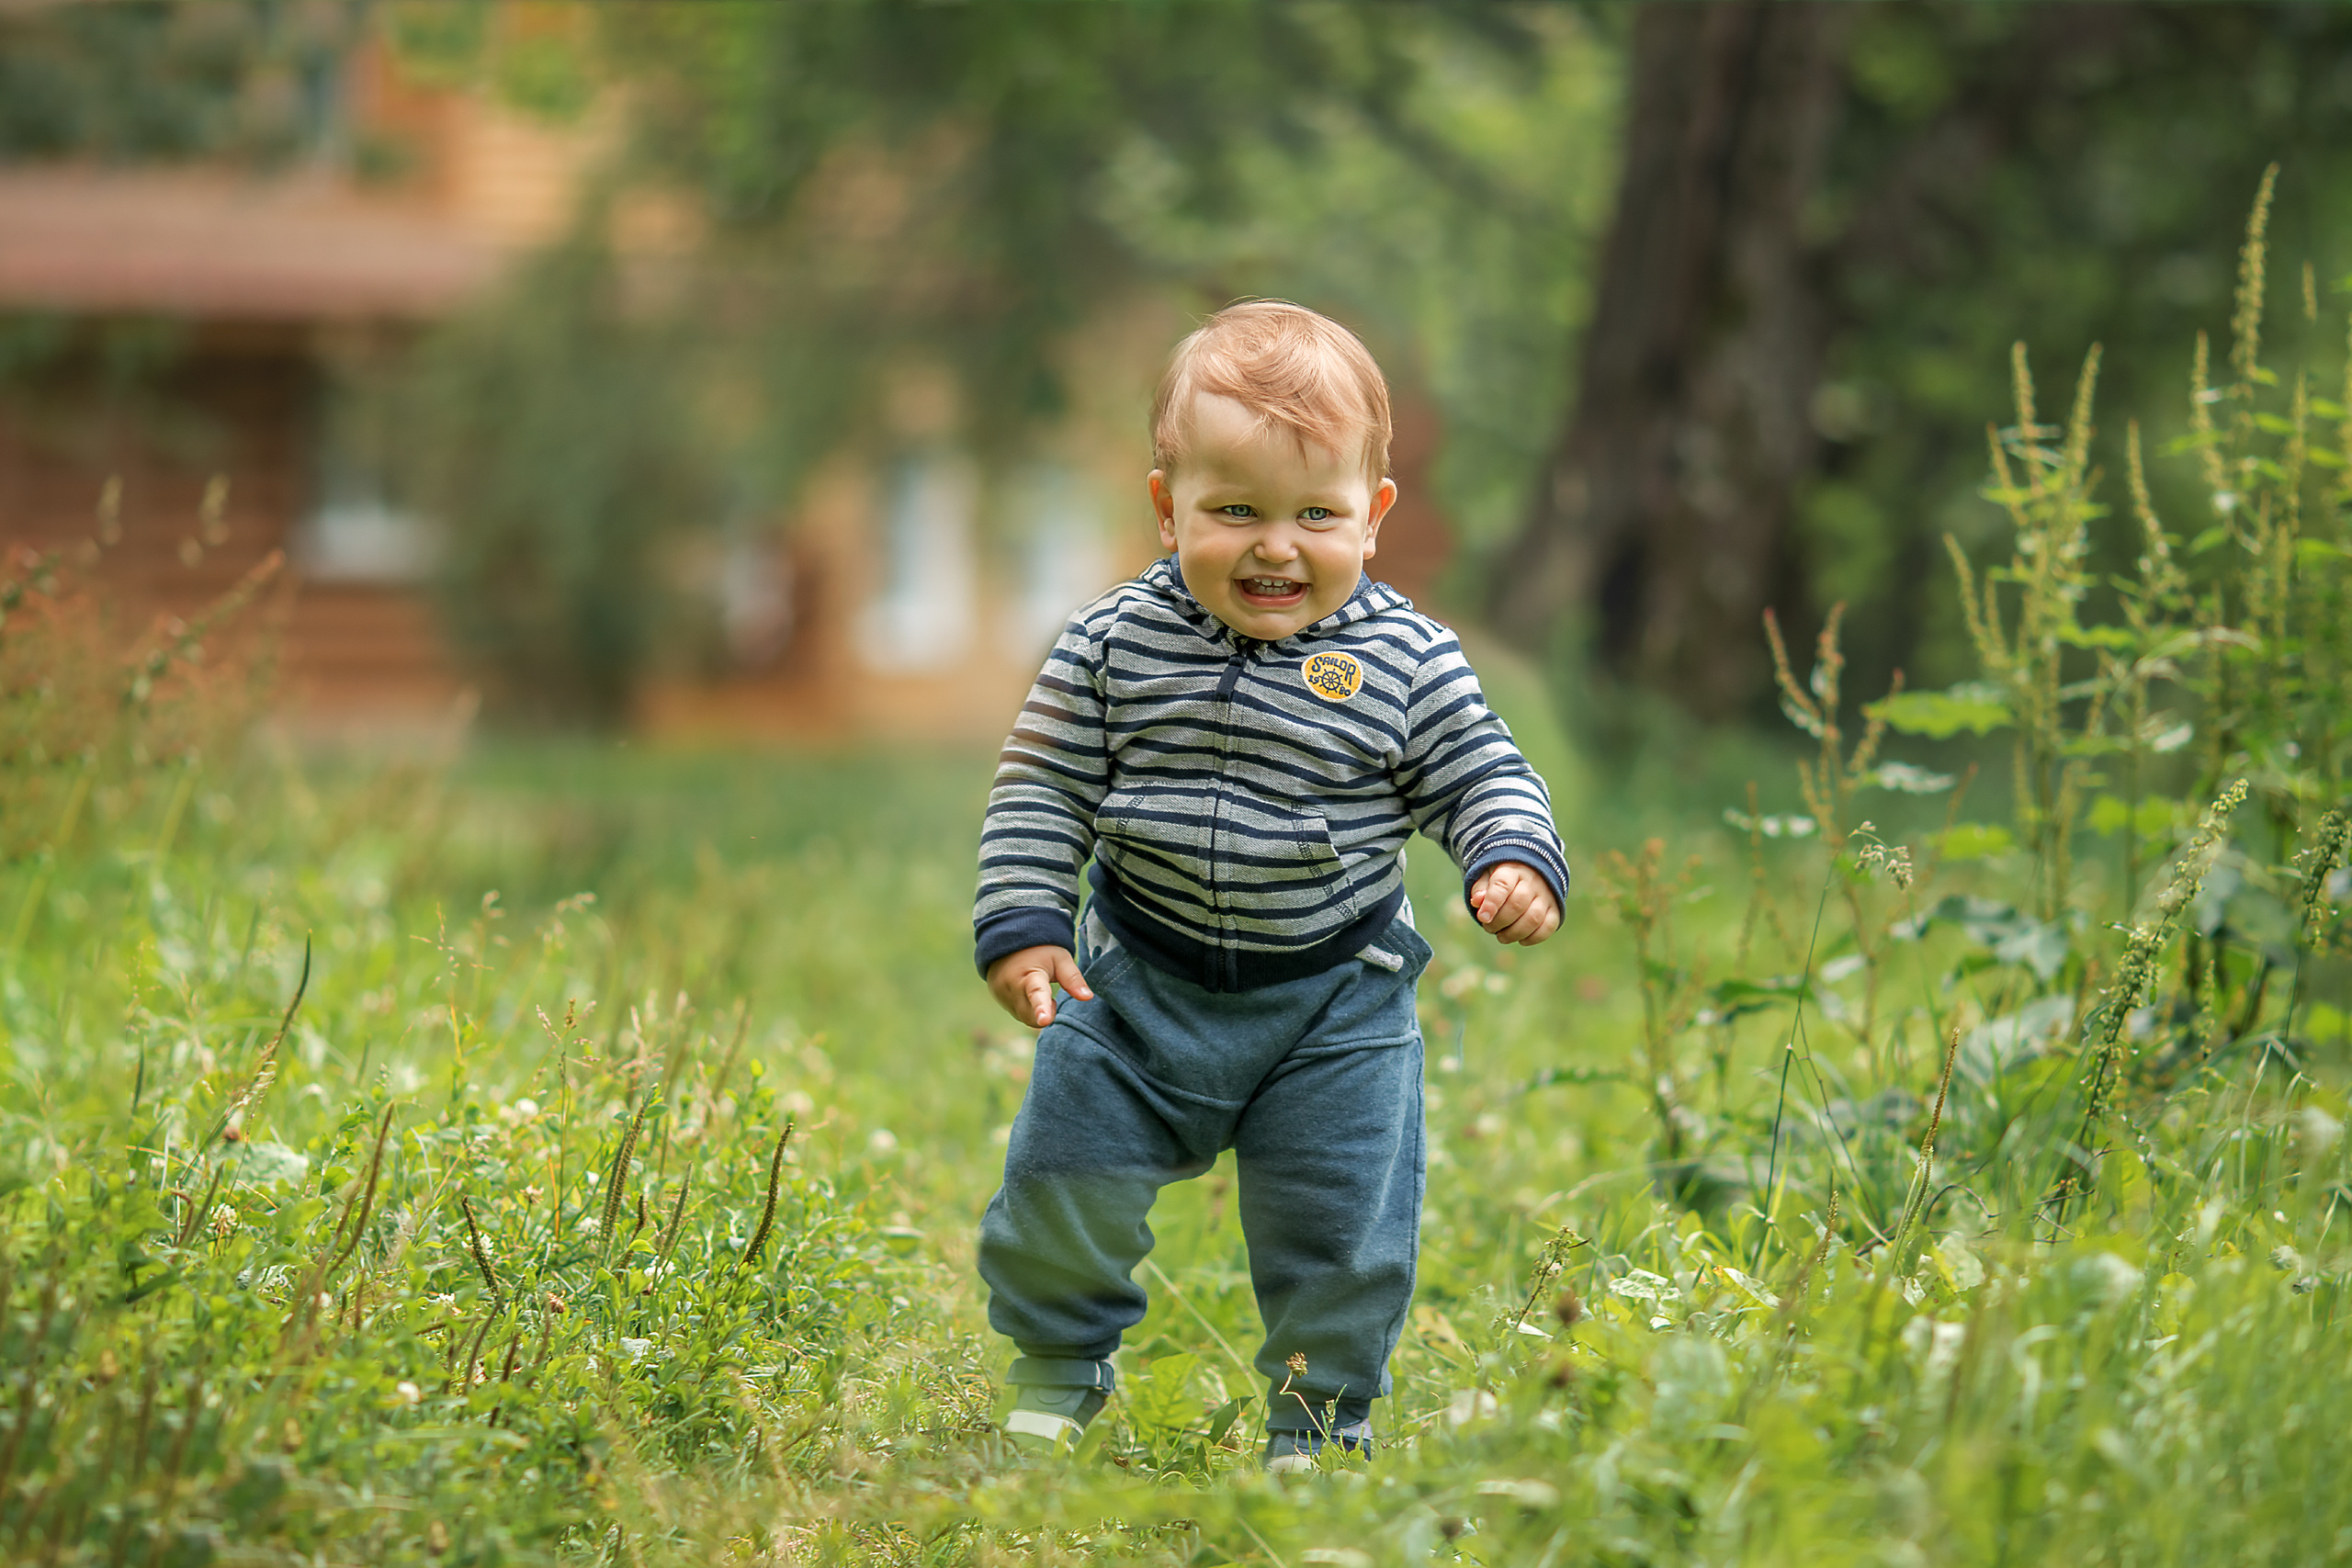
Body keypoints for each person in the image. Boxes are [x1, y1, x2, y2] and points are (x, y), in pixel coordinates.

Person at [972, 300, 1566, 1471]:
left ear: (1373, 515)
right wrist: (1026, 921)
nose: (1274, 548)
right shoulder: (1107, 646)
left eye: (1315, 515)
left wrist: (1508, 853)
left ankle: (1316, 1422)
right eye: (1233, 511)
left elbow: (1481, 768)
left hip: (1333, 1003)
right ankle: (1052, 1369)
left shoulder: (1405, 660)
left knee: (1340, 1228)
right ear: (1166, 507)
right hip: (1134, 985)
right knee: (1062, 1178)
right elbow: (1039, 786)